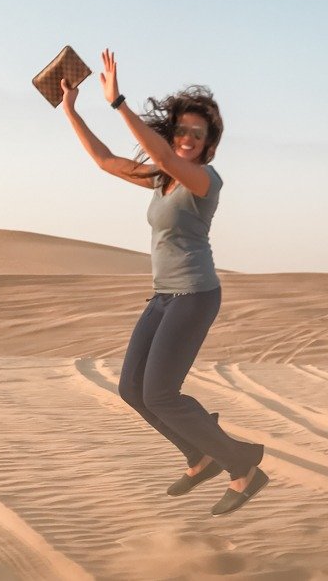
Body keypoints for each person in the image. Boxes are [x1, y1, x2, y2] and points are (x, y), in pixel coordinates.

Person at [60, 48, 268, 516]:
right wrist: (73, 111)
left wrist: (118, 103)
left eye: (199, 133)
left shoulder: (202, 180)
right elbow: (105, 160)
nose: (190, 138)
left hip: (195, 295)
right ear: (173, 133)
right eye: (183, 130)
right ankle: (199, 454)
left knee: (160, 393)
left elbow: (162, 156)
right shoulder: (161, 178)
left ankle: (243, 463)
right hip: (162, 297)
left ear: (209, 143)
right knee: (132, 390)